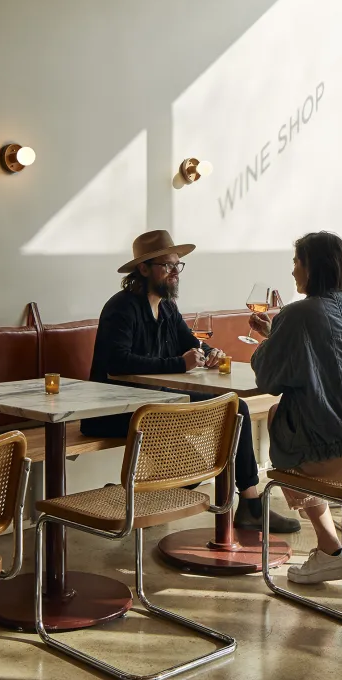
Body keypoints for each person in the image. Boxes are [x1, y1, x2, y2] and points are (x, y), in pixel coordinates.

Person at [82, 229, 301, 535]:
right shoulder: (121, 308)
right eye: (167, 266)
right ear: (143, 269)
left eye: (177, 266)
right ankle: (136, 495)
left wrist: (211, 352)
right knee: (215, 437)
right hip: (115, 411)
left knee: (235, 407)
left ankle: (249, 505)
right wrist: (178, 363)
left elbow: (191, 343)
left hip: (157, 403)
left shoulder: (167, 308)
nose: (175, 273)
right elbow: (116, 363)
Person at [250, 231, 342, 584]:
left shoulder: (297, 315)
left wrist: (271, 339)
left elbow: (268, 379)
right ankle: (330, 548)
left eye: (297, 262)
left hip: (338, 457)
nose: (293, 271)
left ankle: (329, 547)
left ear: (313, 267)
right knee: (301, 419)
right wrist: (277, 335)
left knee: (281, 418)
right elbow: (324, 358)